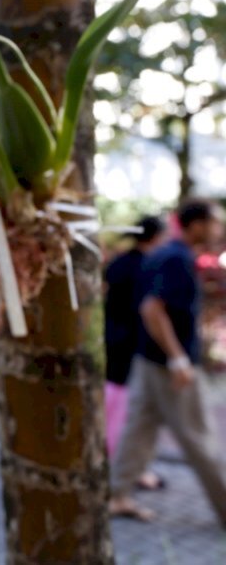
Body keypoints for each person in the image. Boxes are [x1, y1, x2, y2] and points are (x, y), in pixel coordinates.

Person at [110, 200, 226, 523]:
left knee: (139, 430)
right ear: (197, 224)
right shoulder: (174, 258)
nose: (218, 229)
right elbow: (152, 308)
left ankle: (118, 494)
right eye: (215, 222)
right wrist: (178, 359)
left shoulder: (162, 254)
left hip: (148, 361)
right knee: (200, 438)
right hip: (166, 365)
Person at [104, 216, 166, 490]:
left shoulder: (120, 262)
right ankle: (121, 463)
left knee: (113, 397)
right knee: (126, 404)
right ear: (154, 237)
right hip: (133, 344)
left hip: (112, 338)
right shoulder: (148, 266)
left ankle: (112, 459)